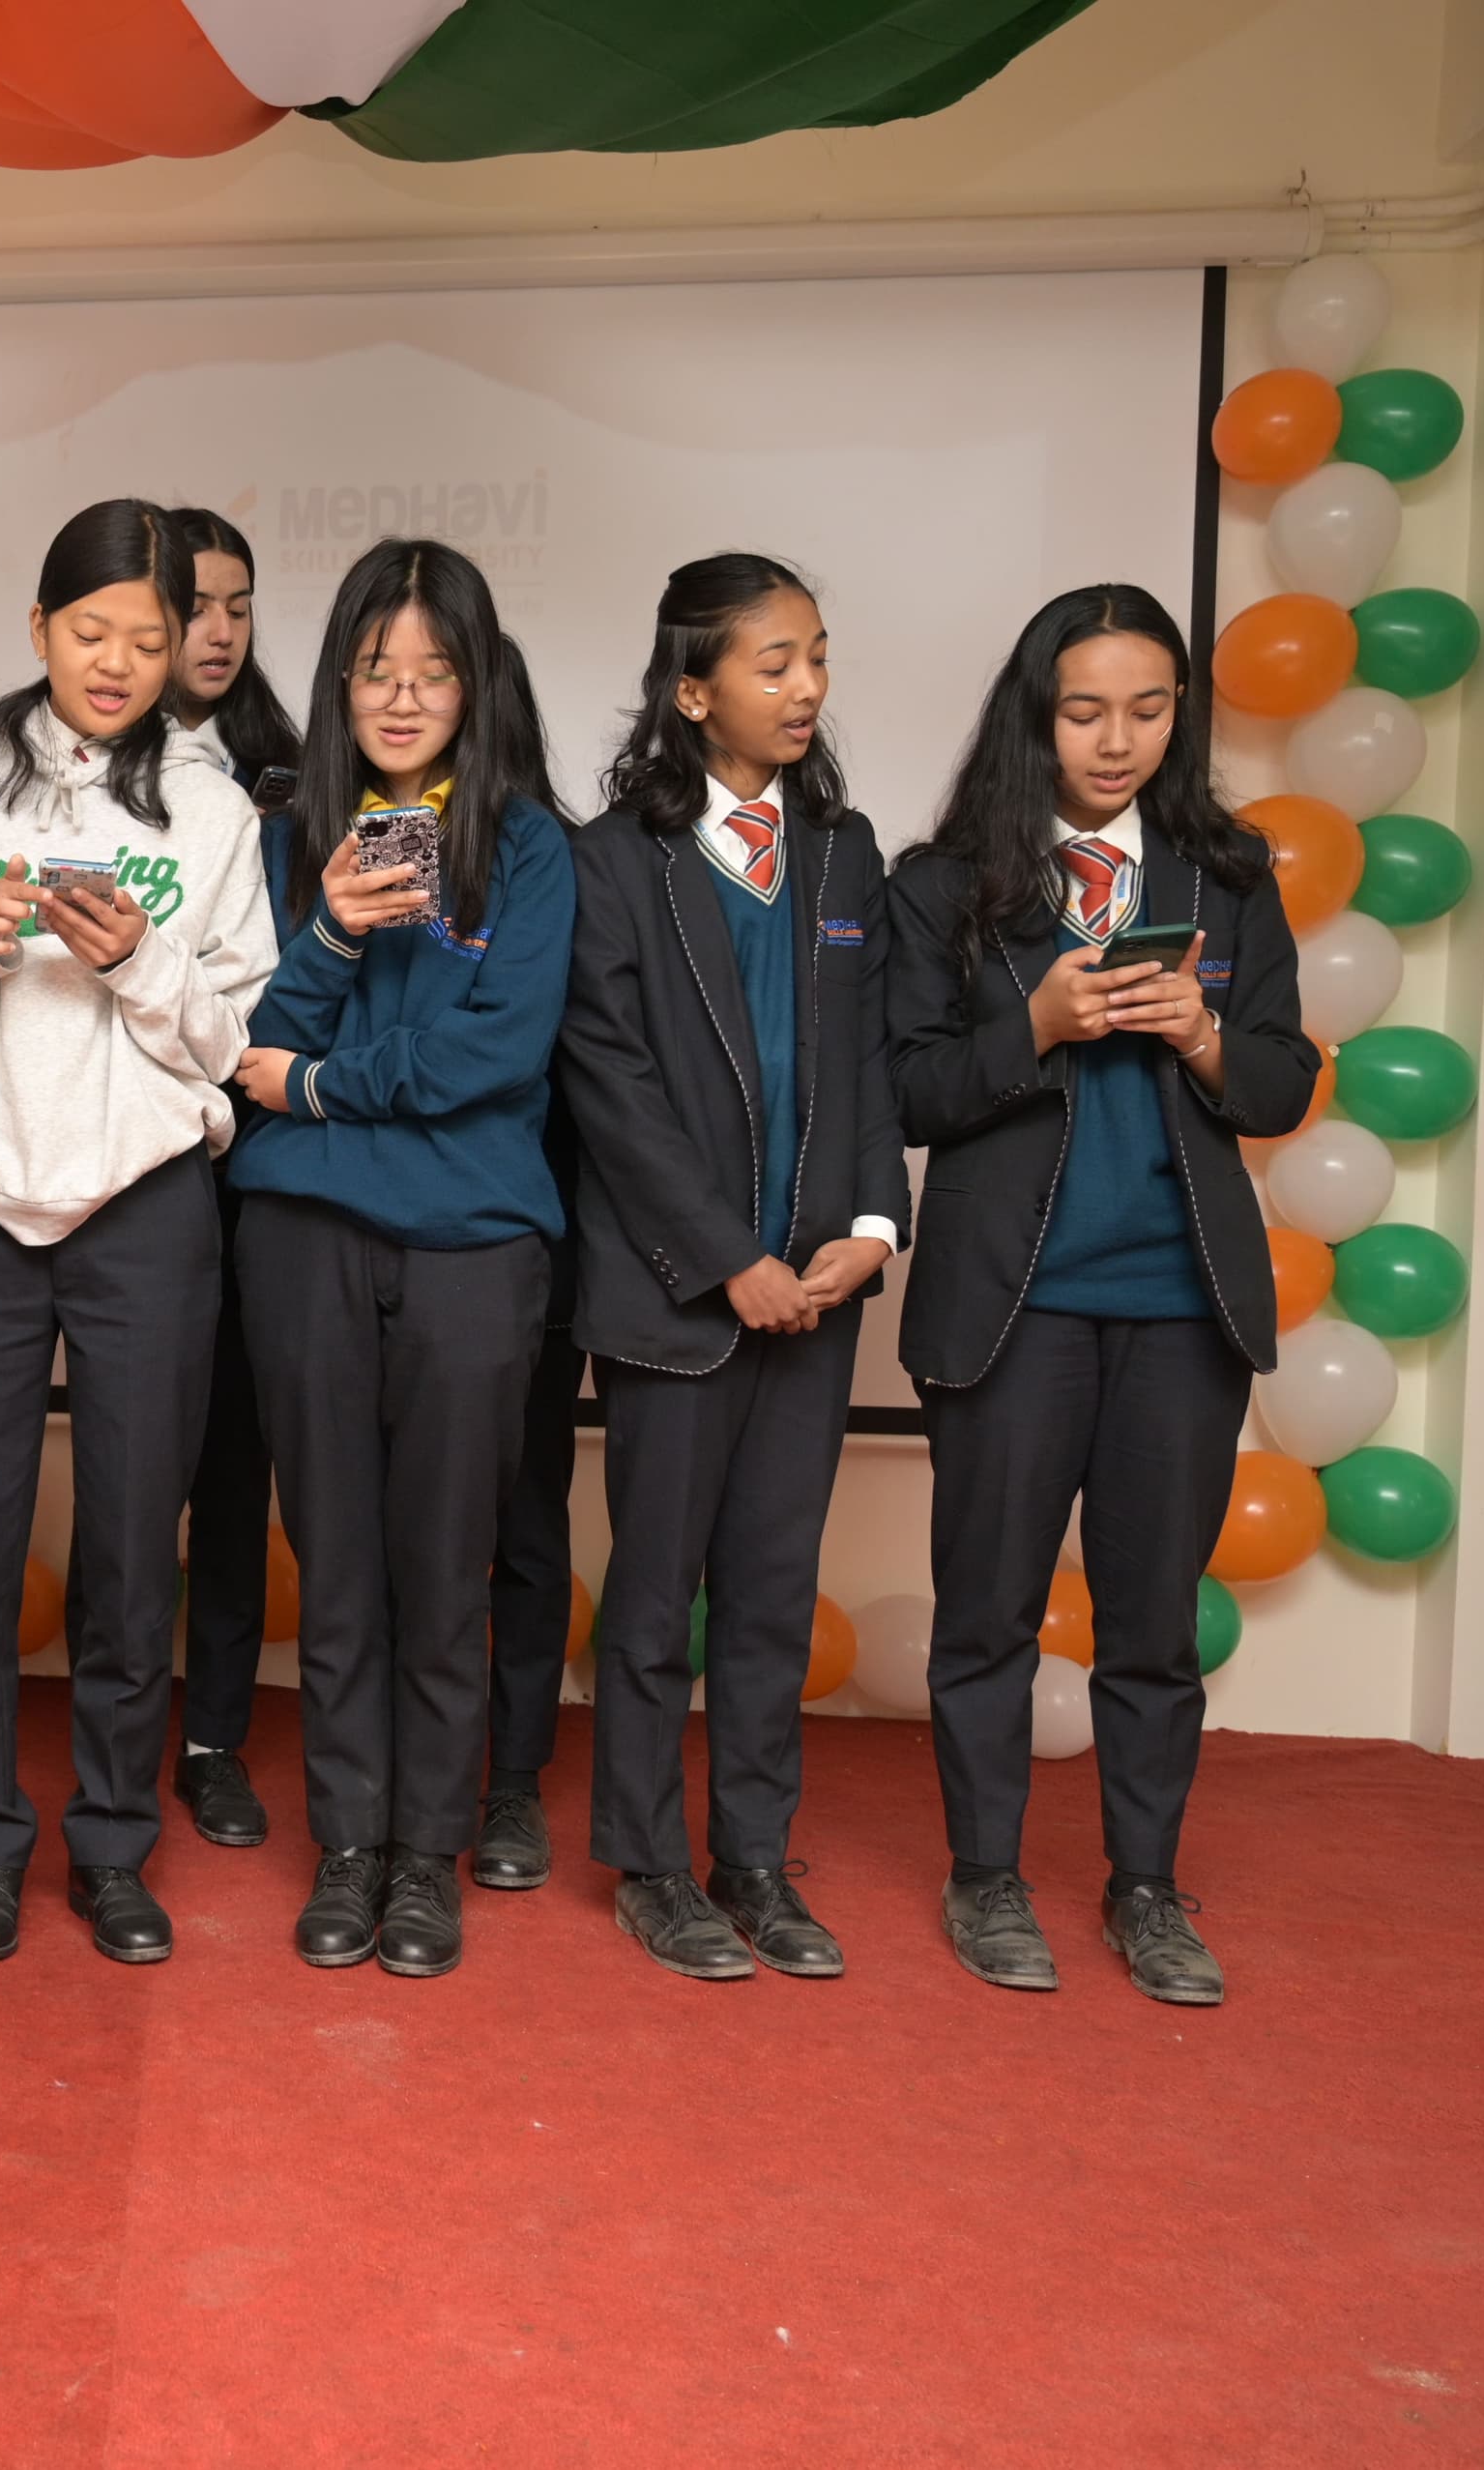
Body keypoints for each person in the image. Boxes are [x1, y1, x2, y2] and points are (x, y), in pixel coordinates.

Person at [883, 583, 1315, 2006]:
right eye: (1084, 710)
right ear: (1036, 716)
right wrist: (1036, 1026)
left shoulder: (1229, 873)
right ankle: (987, 1880)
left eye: (1145, 708)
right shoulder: (947, 886)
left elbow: (1282, 1078)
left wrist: (1202, 1038)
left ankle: (1146, 1891)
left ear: (1179, 715)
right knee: (988, 1619)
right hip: (1012, 1310)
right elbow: (908, 1090)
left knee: (1151, 1628)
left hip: (1182, 1308)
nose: (1115, 738)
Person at [0, 497, 276, 1965]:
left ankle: (111, 1844)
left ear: (184, 652)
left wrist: (139, 957)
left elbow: (234, 1036)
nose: (116, 663)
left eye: (149, 639)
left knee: (126, 1548)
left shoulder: (217, 815)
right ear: (37, 629)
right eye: (89, 632)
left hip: (147, 1209)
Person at [553, 553, 909, 1983]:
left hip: (819, 1299)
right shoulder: (610, 859)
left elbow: (871, 1067)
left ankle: (755, 1859)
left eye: (817, 656)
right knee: (656, 1599)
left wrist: (870, 1230)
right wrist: (724, 1260)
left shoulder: (846, 853)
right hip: (676, 1302)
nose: (807, 685)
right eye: (773, 665)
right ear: (693, 693)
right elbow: (609, 1084)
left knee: (771, 1593)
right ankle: (649, 1865)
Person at [227, 543, 576, 1976]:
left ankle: (425, 1858)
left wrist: (317, 1091)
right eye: (378, 669)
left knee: (444, 1562)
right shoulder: (282, 833)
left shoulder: (533, 846)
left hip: (476, 1245)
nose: (404, 696)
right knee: (339, 1562)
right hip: (303, 1238)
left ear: (478, 684)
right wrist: (327, 930)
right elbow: (245, 1026)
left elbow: (494, 1058)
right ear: (340, 680)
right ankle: (350, 1844)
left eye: (435, 671)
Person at [153, 506, 302, 1850]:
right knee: (147, 1465)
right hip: (133, 1167)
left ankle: (210, 1737)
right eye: (193, 604)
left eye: (237, 605)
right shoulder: (76, 766)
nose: (217, 629)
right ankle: (115, 1717)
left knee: (238, 1460)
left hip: (260, 1164)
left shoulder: (290, 776)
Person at [478, 634, 588, 1896]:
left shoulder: (555, 855)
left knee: (526, 1517)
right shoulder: (371, 847)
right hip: (402, 1242)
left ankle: (512, 1781)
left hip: (541, 1235)